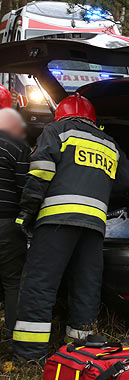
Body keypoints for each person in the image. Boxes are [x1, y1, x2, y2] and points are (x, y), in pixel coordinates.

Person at [13, 93, 129, 361]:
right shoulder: (109, 143)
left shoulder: (57, 131)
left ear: (60, 115)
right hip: (95, 228)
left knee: (40, 285)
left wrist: (26, 213)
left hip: (56, 221)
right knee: (86, 287)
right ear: (94, 120)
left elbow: (40, 172)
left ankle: (30, 357)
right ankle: (79, 353)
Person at [0, 108, 30, 340]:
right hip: (6, 224)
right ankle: (12, 339)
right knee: (12, 281)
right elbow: (25, 190)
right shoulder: (16, 147)